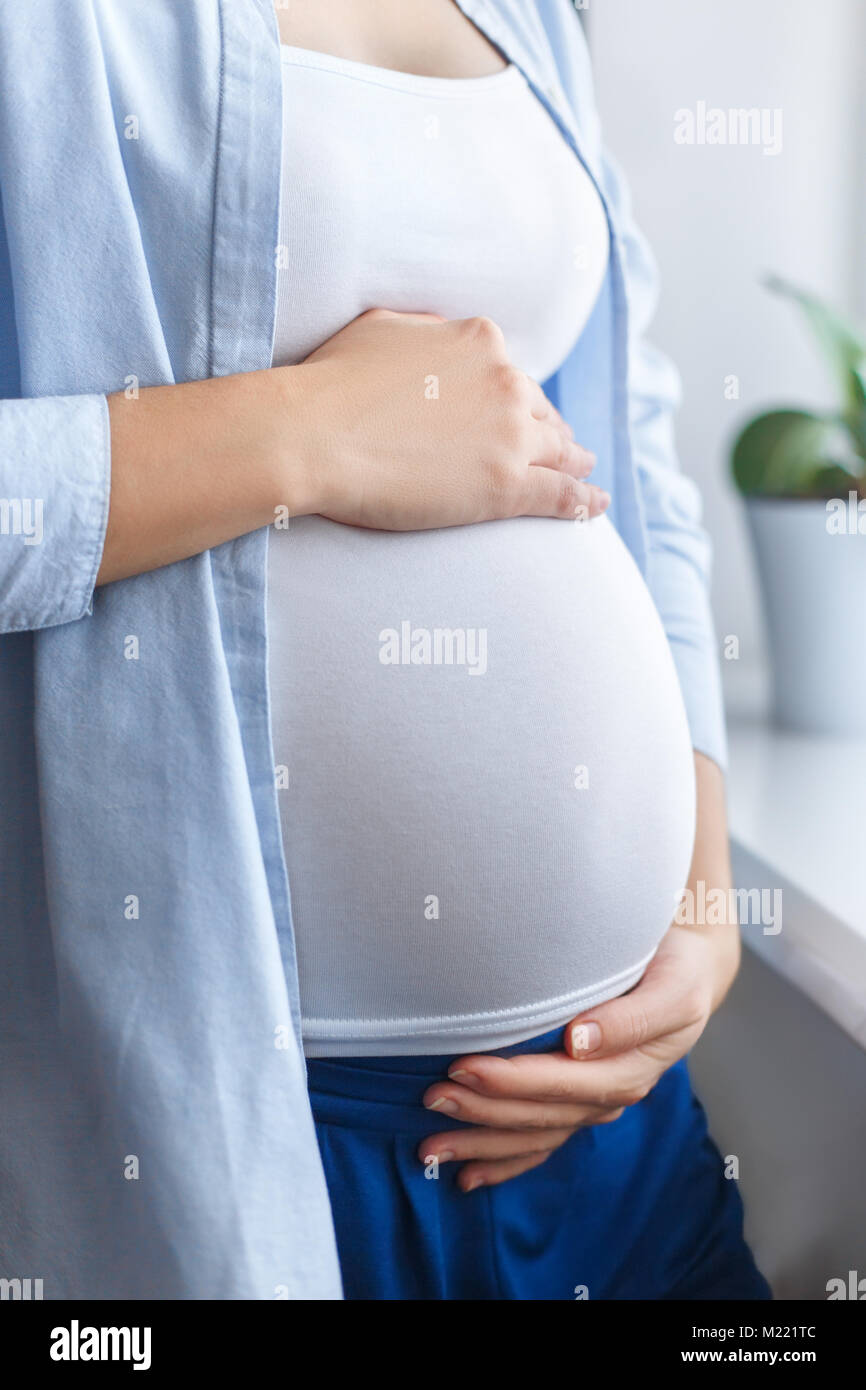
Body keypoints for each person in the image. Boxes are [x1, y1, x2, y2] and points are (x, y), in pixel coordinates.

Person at [0, 0, 769, 1299]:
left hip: (615, 1118)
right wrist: (300, 433)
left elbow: (629, 459)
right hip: (255, 1145)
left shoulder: (534, 19)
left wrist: (697, 904)